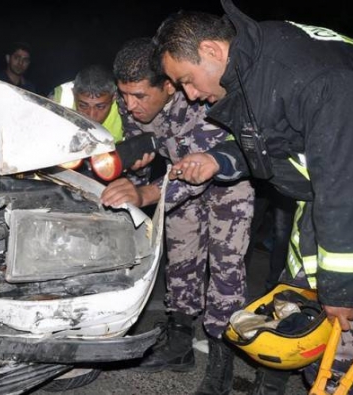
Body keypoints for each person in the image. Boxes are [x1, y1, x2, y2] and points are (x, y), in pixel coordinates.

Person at [154, 1, 353, 394]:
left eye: (187, 80)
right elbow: (273, 138)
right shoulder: (256, 63)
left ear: (212, 50)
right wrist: (218, 158)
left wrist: (344, 288)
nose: (190, 95)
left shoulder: (318, 78)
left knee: (335, 363)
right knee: (292, 329)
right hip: (327, 208)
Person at [100, 37, 254, 395]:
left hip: (225, 182)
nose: (129, 105)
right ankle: (180, 346)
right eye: (124, 95)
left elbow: (192, 173)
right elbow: (146, 152)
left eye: (139, 96)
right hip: (174, 179)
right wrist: (133, 176)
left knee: (225, 271)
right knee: (181, 262)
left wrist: (145, 192)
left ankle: (222, 360)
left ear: (168, 86)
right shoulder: (131, 102)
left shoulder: (200, 101)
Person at [50, 65, 123, 142]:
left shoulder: (127, 106)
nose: (91, 115)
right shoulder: (56, 101)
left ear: (114, 97)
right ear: (74, 94)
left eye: (100, 107)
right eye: (83, 106)